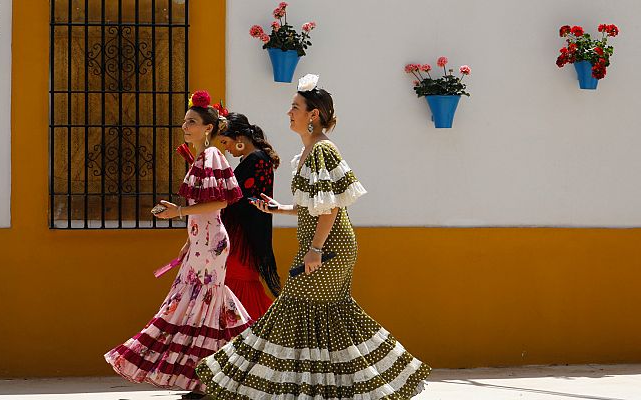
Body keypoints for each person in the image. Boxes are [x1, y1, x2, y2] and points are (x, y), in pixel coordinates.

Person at [196, 75, 431, 399]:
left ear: (313, 115)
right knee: (332, 316)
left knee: (292, 311)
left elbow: (331, 207)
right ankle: (352, 386)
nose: (289, 112)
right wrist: (281, 209)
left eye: (295, 107)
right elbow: (316, 203)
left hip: (329, 248)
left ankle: (269, 386)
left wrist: (316, 249)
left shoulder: (322, 150)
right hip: (326, 247)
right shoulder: (309, 151)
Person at [105, 90, 251, 399]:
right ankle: (222, 371)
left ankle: (205, 374)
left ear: (208, 127)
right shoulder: (201, 156)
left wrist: (179, 212)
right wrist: (189, 239)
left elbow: (221, 201)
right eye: (185, 121)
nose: (186, 126)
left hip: (210, 244)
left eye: (193, 122)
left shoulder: (211, 155)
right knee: (204, 303)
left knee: (198, 303)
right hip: (203, 242)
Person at [217, 112, 282, 319]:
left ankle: (268, 336)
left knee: (241, 288)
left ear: (239, 138)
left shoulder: (257, 160)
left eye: (226, 142)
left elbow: (246, 200)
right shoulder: (253, 159)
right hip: (241, 235)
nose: (225, 148)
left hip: (244, 238)